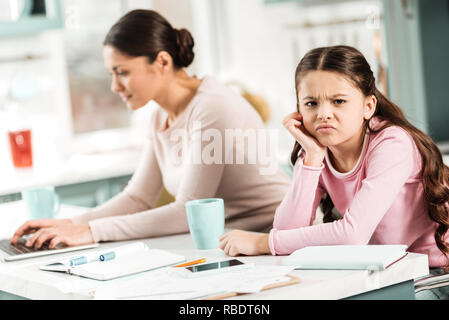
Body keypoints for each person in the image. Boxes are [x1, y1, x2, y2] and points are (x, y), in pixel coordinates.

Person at [11, 9, 290, 248]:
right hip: (233, 243)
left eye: (122, 72)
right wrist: (71, 223)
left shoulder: (211, 108)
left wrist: (93, 232)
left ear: (163, 62)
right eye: (112, 74)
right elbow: (138, 197)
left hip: (276, 238)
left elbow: (185, 212)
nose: (114, 87)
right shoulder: (161, 116)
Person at [219, 45, 449, 269]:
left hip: (432, 273)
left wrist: (263, 242)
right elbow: (286, 232)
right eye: (311, 103)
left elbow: (353, 234)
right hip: (381, 271)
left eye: (338, 101)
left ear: (368, 106)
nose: (323, 114)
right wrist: (311, 158)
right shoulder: (316, 149)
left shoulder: (392, 143)